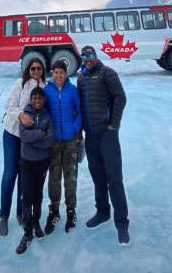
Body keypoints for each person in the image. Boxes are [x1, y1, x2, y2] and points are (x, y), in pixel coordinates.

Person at [77, 45, 130, 246]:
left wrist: (113, 124)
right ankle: (102, 211)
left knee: (114, 178)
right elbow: (81, 106)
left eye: (90, 55)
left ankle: (122, 222)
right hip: (91, 136)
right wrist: (80, 131)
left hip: (107, 134)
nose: (87, 58)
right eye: (84, 56)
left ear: (96, 56)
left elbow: (120, 98)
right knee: (97, 176)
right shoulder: (81, 78)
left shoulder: (108, 73)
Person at [0, 58, 46, 236]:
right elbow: (9, 105)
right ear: (28, 69)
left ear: (42, 70)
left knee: (23, 175)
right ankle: (4, 215)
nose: (35, 71)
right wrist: (21, 116)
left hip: (28, 138)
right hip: (12, 133)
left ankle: (21, 212)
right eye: (32, 68)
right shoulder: (20, 84)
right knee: (10, 173)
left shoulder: (44, 86)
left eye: (39, 68)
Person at [43, 60, 82, 234]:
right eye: (56, 72)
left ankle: (71, 210)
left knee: (71, 176)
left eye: (61, 72)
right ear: (53, 73)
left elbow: (80, 112)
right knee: (54, 177)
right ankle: (54, 211)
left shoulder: (73, 90)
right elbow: (43, 113)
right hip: (54, 142)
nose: (58, 75)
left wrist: (75, 129)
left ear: (66, 74)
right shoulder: (47, 90)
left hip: (70, 140)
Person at [16, 87, 55, 255]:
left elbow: (50, 141)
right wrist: (40, 133)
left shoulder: (48, 117)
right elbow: (24, 136)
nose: (37, 101)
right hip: (26, 163)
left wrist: (35, 140)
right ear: (31, 100)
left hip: (41, 163)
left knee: (38, 195)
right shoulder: (26, 116)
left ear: (44, 100)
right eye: (34, 98)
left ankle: (37, 223)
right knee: (27, 197)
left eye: (40, 98)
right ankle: (27, 232)